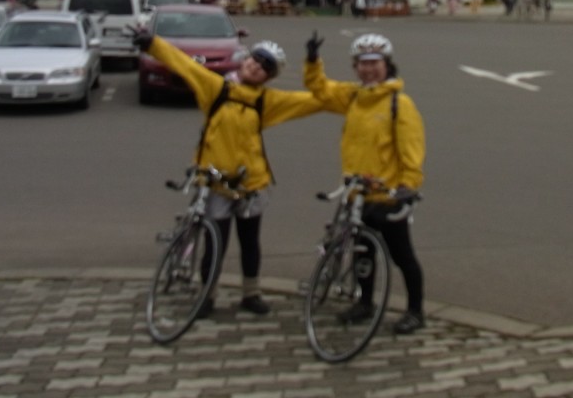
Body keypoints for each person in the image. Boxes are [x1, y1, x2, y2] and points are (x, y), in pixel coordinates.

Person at [133, 29, 323, 317]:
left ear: (269, 77)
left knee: (250, 243)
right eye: (255, 59)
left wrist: (318, 67)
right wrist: (152, 44)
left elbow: (314, 101)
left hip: (252, 184)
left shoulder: (266, 101)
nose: (256, 66)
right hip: (215, 183)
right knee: (215, 245)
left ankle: (251, 294)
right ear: (245, 58)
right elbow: (185, 65)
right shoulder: (217, 89)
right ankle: (206, 297)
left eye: (265, 67)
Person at [303, 31, 427, 334]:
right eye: (362, 63)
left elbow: (411, 149)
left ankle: (415, 311)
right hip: (356, 194)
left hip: (388, 195)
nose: (368, 69)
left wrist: (408, 186)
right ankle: (364, 303)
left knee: (402, 256)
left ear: (387, 65)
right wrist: (312, 61)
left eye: (374, 62)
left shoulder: (400, 103)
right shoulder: (354, 97)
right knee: (362, 253)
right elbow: (320, 90)